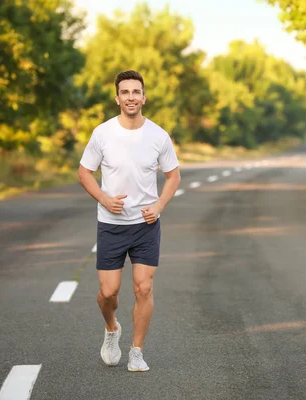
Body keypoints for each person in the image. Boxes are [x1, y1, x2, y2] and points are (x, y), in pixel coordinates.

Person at [78, 70, 181, 372]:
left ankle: (137, 350)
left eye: (136, 92)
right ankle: (112, 329)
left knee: (143, 288)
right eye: (126, 92)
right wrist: (105, 199)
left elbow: (173, 175)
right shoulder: (103, 133)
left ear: (144, 97)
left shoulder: (158, 136)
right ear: (117, 98)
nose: (131, 97)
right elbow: (85, 172)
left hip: (145, 225)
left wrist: (159, 205)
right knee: (108, 292)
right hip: (111, 224)